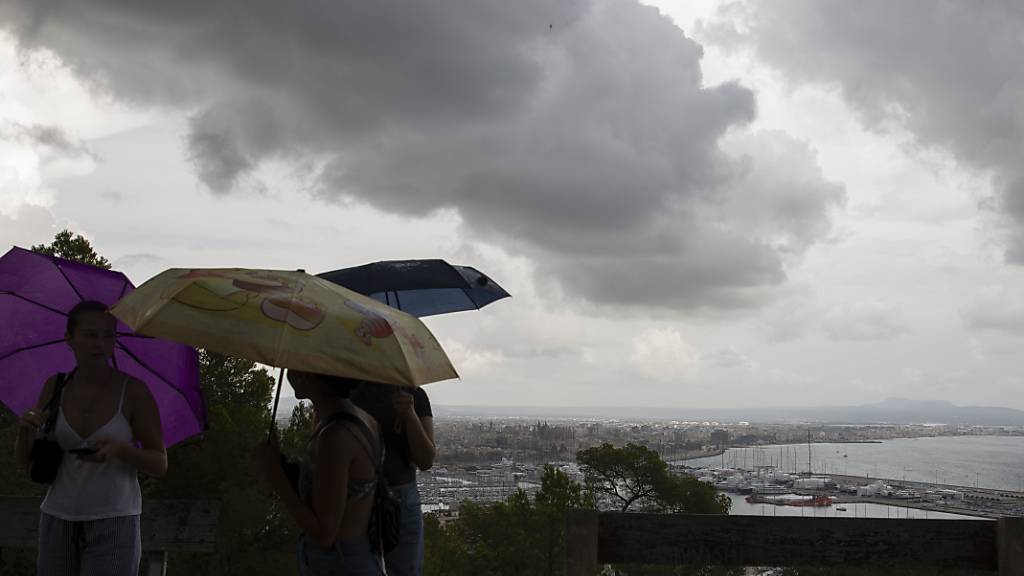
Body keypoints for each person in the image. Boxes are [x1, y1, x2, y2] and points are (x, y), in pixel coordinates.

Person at [14, 300, 167, 576]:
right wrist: (25, 428)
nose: (100, 344)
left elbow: (159, 463)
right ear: (69, 339)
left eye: (108, 335)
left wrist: (122, 449)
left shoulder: (133, 392)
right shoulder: (56, 385)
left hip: (114, 520)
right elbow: (25, 462)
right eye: (90, 334)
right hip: (58, 516)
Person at [252, 371, 381, 576]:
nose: (289, 374)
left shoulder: (335, 435)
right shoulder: (360, 420)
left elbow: (324, 533)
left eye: (295, 367)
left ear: (310, 377)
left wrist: (275, 476)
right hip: (357, 554)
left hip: (338, 563)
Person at [351, 384, 434, 576]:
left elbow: (425, 460)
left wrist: (410, 416)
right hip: (367, 498)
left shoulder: (414, 395)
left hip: (396, 498)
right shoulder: (350, 393)